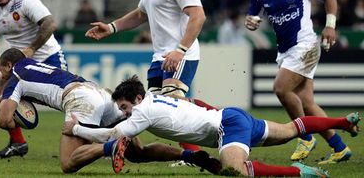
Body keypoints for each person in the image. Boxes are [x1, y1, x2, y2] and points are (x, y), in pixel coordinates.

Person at [0, 48, 220, 174]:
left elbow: (5, 118)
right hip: (99, 93)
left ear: (6, 65)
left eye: (0, 70)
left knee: (68, 164)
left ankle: (109, 148)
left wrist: (11, 112)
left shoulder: (14, 76)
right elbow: (6, 100)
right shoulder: (32, 68)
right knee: (138, 154)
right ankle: (192, 157)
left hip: (80, 101)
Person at [63, 75, 361, 177]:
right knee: (290, 130)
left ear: (136, 99)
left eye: (125, 107)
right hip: (231, 116)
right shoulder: (152, 100)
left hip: (226, 126)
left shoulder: (142, 112)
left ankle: (299, 173)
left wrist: (77, 130)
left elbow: (112, 135)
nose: (125, 114)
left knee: (234, 169)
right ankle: (342, 122)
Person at [85, 0, 208, 154]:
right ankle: (204, 124)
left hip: (180, 55)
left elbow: (198, 16)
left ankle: (193, 154)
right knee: (150, 113)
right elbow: (141, 14)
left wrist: (180, 50)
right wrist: (111, 28)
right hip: (159, 57)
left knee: (173, 109)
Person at [244, 0, 350, 164]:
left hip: (306, 45)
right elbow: (252, 16)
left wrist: (330, 25)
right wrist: (251, 22)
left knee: (281, 88)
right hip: (285, 51)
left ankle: (305, 136)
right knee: (307, 103)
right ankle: (339, 148)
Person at [0, 0, 67, 159]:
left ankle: (101, 135)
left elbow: (50, 24)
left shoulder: (26, 1)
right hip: (20, 64)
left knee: (66, 100)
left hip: (48, 57)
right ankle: (18, 142)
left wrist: (31, 49)